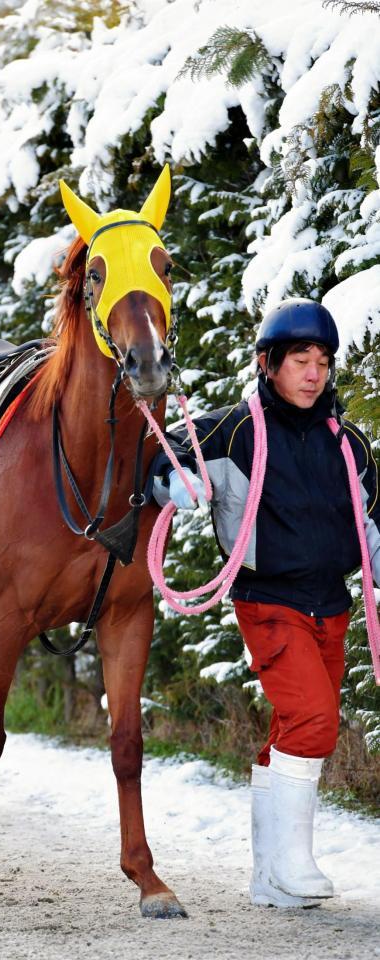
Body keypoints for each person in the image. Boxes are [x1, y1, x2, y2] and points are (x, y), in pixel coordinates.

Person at [152, 297, 380, 908]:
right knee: (313, 721)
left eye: (323, 361)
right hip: (269, 601)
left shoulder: (349, 443)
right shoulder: (232, 432)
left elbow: (371, 527)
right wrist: (175, 482)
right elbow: (162, 458)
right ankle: (293, 862)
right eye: (300, 359)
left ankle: (266, 878)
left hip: (331, 605)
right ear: (268, 363)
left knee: (290, 727)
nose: (314, 373)